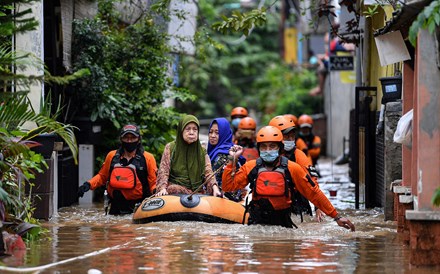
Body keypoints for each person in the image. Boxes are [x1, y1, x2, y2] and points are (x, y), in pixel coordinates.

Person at [222, 126, 355, 230]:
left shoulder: (293, 168)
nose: (268, 150)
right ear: (259, 149)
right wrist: (231, 161)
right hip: (257, 222)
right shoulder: (251, 167)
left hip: (284, 222)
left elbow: (313, 192)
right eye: (264, 146)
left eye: (272, 146)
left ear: (279, 148)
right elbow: (228, 186)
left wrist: (337, 216)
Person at [78, 124, 158, 215]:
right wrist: (88, 184)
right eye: (126, 137)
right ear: (121, 139)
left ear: (139, 139)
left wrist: (157, 192)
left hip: (138, 208)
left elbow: (153, 183)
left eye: (133, 138)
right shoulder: (112, 156)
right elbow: (102, 176)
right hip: (115, 207)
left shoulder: (148, 158)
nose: (129, 140)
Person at [269, 115, 324, 222]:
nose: (290, 139)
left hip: (297, 203)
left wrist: (318, 207)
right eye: (286, 136)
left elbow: (312, 182)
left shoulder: (299, 155)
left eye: (292, 136)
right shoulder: (265, 155)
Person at [155, 115, 222, 197]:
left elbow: (208, 172)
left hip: (197, 191)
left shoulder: (201, 151)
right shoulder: (171, 147)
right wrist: (162, 188)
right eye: (188, 129)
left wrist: (215, 188)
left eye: (195, 129)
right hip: (176, 189)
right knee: (173, 188)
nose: (191, 132)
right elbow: (164, 170)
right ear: (181, 131)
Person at [207, 117, 246, 201]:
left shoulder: (227, 154)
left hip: (224, 200)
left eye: (217, 133)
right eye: (210, 132)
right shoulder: (211, 153)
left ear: (224, 134)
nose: (212, 136)